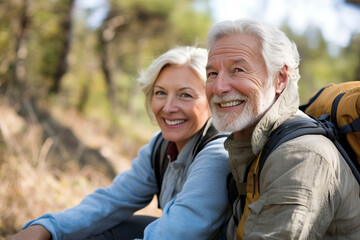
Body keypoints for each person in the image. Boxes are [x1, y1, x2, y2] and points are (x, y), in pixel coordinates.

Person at [10, 46, 231, 240]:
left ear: (211, 102)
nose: (169, 107)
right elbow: (112, 202)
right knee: (98, 229)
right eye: (160, 93)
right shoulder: (159, 146)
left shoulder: (217, 153)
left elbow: (178, 234)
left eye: (185, 95)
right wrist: (47, 226)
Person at [205, 18, 360, 239]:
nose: (219, 87)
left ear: (280, 79)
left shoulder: (300, 156)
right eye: (212, 73)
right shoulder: (256, 144)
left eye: (238, 70)